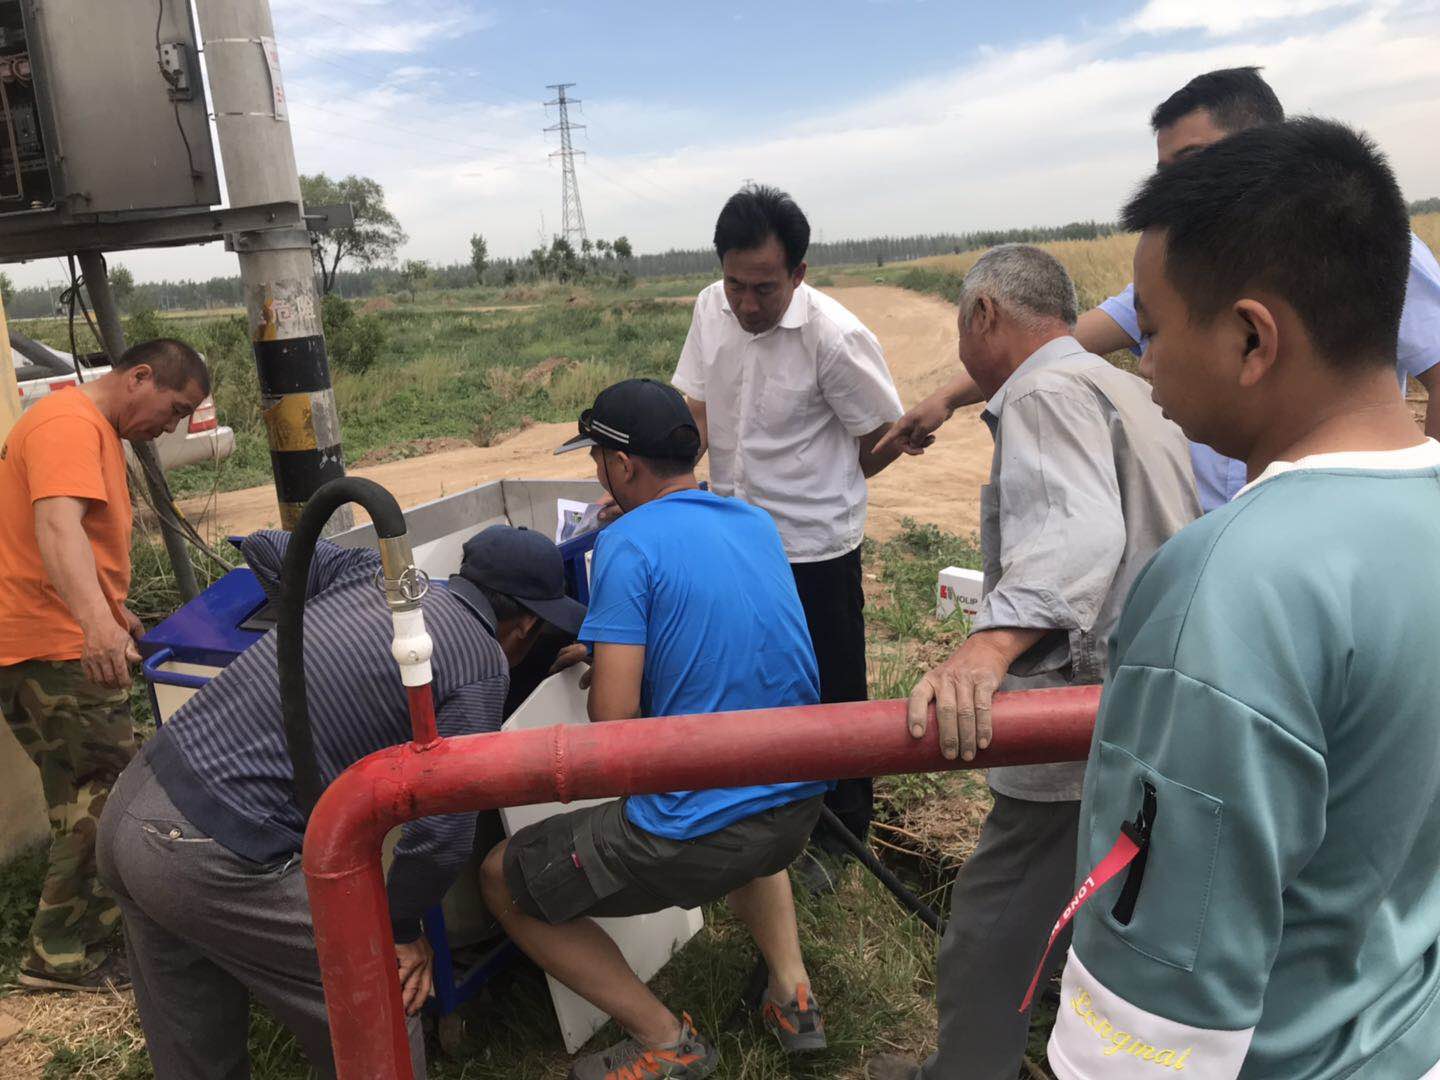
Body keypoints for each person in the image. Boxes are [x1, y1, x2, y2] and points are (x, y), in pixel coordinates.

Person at [1047, 117, 1440, 1079]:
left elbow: (1149, 1020)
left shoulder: (1226, 584)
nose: (1142, 360)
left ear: (1252, 338)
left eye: (1153, 328)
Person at [865, 246, 1198, 1080]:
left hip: (1077, 727)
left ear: (984, 315)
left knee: (991, 930)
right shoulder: (1123, 385)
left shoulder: (1044, 393)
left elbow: (1078, 534)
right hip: (1153, 710)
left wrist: (986, 646)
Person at [96, 525, 585, 1080]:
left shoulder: (372, 578)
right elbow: (443, 837)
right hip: (206, 851)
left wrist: (303, 636)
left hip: (134, 802)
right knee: (381, 994)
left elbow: (265, 545)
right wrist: (400, 931)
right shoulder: (480, 663)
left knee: (193, 1046)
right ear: (525, 626)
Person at [882, 66, 1440, 511]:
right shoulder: (1176, 274)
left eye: (1192, 162)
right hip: (1213, 524)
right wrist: (945, 399)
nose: (1176, 186)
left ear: (1263, 144)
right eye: (1165, 170)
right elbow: (1056, 342)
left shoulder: (1357, 241)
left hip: (1322, 518)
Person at [483, 379, 831, 1080]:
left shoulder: (627, 543)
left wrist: (614, 659)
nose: (596, 472)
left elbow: (612, 723)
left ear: (623, 464)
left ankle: (664, 1039)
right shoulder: (753, 522)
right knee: (744, 790)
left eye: (597, 458)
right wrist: (623, 643)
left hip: (694, 835)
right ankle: (794, 995)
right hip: (798, 804)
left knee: (501, 879)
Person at [670, 183, 906, 880]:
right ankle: (760, 810)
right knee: (745, 675)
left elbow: (878, 439)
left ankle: (842, 835)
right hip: (732, 535)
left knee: (832, 689)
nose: (747, 304)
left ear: (799, 273)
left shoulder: (835, 337)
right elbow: (697, 410)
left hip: (812, 546)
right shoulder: (709, 310)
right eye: (735, 284)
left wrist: (825, 480)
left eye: (764, 289)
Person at [0, 338, 208, 992]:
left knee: (81, 791)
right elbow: (56, 529)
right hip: (56, 645)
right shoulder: (69, 424)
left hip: (46, 638)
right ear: (139, 377)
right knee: (107, 794)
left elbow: (75, 543)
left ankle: (69, 939)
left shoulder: (83, 426)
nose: (170, 428)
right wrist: (94, 626)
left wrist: (114, 611)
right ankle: (61, 952)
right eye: (174, 409)